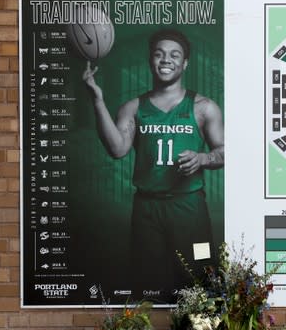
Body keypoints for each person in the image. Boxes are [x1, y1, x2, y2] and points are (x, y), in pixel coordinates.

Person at [83, 28, 224, 302]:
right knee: (148, 285)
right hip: (147, 209)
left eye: (174, 55)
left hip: (189, 207)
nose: (166, 60)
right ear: (151, 60)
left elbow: (225, 151)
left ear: (185, 63)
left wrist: (203, 158)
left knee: (200, 279)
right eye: (159, 54)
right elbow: (117, 149)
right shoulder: (133, 108)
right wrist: (98, 101)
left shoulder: (204, 107)